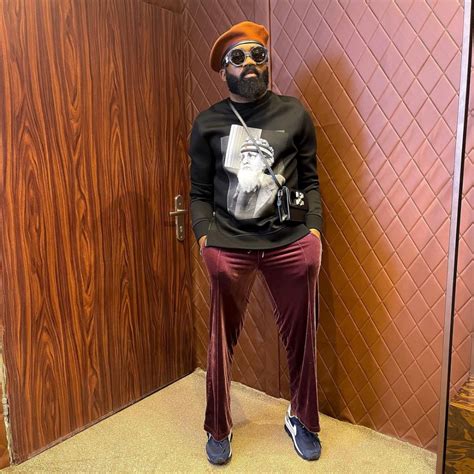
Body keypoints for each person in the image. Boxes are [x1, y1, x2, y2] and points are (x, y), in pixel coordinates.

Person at [189, 20, 323, 465]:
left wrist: (314, 233)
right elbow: (199, 192)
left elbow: (311, 180)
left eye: (257, 54)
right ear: (224, 69)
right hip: (229, 244)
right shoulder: (208, 123)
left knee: (303, 336)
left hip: (290, 241)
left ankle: (302, 417)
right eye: (238, 57)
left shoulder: (294, 115)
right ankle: (218, 426)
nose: (249, 63)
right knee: (219, 340)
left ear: (268, 62)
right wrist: (205, 238)